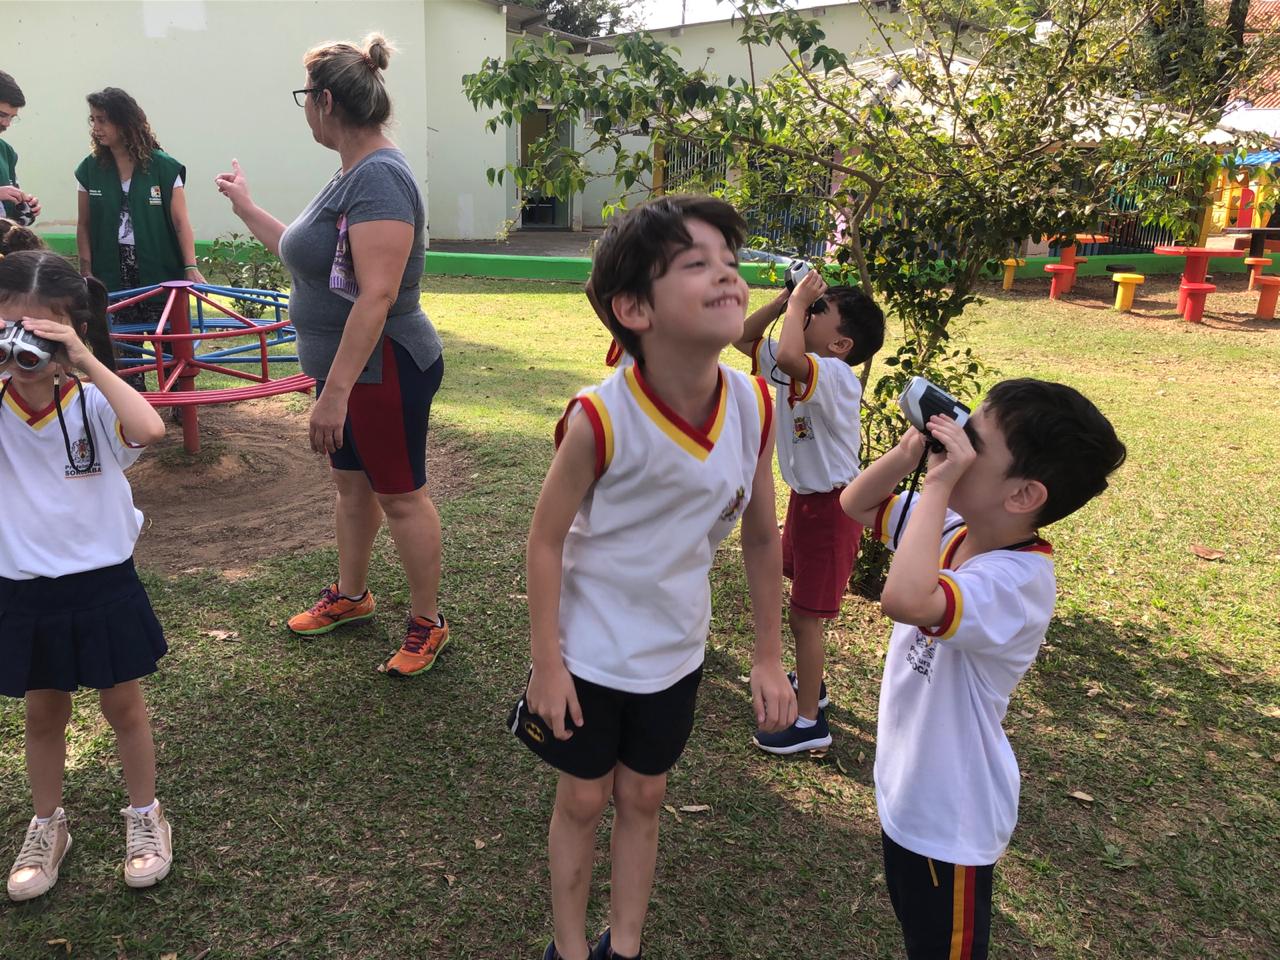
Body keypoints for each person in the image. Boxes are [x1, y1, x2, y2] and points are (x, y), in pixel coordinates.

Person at [510, 195, 796, 960]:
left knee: (645, 793)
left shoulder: (753, 403)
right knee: (583, 799)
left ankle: (625, 946)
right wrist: (547, 665)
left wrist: (770, 656)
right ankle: (571, 949)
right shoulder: (600, 418)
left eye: (730, 262)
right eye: (697, 263)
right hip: (590, 654)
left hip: (676, 650)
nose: (728, 276)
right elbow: (545, 541)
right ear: (634, 308)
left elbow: (761, 536)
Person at [840, 378, 1126, 959]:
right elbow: (857, 504)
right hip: (910, 793)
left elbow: (906, 599)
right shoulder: (951, 529)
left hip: (952, 815)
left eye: (973, 440)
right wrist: (908, 454)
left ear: (1022, 495)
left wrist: (938, 483)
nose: (956, 441)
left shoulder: (1017, 583)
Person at [214, 34, 449, 676]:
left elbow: (377, 295)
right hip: (348, 369)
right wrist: (246, 206)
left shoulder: (380, 178)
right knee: (352, 485)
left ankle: (428, 622)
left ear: (323, 101)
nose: (305, 112)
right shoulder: (351, 172)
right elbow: (305, 254)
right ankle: (352, 596)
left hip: (383, 366)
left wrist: (335, 395)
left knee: (400, 495)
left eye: (304, 99)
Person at [0, 250, 171, 901]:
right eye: (10, 329)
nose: (25, 349)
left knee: (123, 706)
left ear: (70, 330)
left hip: (101, 581)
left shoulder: (92, 400)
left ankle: (146, 815)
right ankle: (47, 824)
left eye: (40, 332)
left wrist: (85, 358)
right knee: (43, 712)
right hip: (24, 586)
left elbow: (150, 427)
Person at [733, 271, 884, 754]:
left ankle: (808, 722)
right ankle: (811, 684)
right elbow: (743, 337)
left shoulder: (834, 375)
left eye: (819, 311)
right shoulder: (798, 365)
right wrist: (785, 299)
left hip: (834, 510)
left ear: (840, 344)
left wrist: (799, 303)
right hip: (807, 502)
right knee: (795, 595)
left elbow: (789, 356)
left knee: (805, 618)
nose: (808, 311)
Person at [0, 71, 40, 224]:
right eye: (2, 115)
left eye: (12, 117)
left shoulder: (7, 152)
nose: (6, 124)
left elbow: (12, 219)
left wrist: (26, 209)